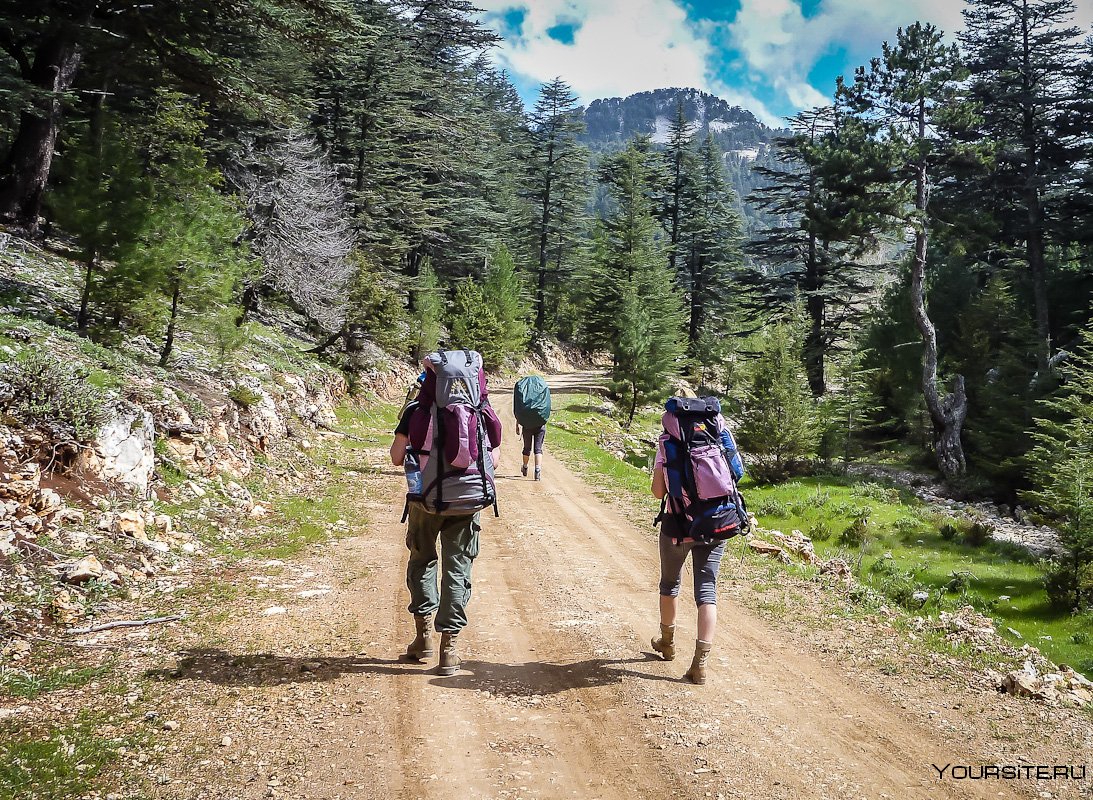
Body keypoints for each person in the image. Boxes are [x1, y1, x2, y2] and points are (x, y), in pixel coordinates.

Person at [390, 350, 501, 675]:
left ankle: (423, 638)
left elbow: (397, 457)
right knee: (458, 570)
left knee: (423, 561)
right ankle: (449, 650)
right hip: (468, 503)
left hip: (426, 501)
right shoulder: (480, 412)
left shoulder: (416, 411)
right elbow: (493, 461)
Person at [648, 395, 745, 685]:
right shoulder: (718, 435)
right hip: (717, 522)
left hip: (678, 525)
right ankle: (700, 664)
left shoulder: (668, 443)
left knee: (669, 584)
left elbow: (657, 492)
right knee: (707, 591)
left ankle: (667, 643)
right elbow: (737, 474)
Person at [513, 375, 551, 481]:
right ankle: (537, 470)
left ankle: (525, 467)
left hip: (526, 425)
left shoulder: (523, 395)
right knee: (538, 449)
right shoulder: (542, 388)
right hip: (540, 424)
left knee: (527, 448)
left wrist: (517, 424)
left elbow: (518, 409)